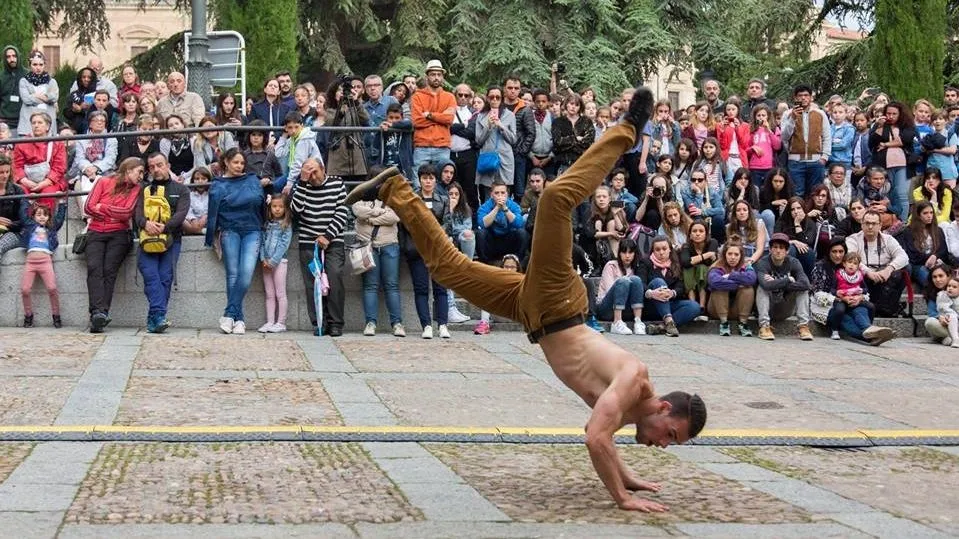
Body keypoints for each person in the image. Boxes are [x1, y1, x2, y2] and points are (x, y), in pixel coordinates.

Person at [345, 88, 707, 512]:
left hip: (532, 310)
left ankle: (394, 188)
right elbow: (595, 437)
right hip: (558, 302)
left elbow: (606, 438)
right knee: (555, 199)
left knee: (447, 270)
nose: (664, 444)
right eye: (672, 435)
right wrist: (621, 497)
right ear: (664, 409)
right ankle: (629, 128)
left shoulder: (630, 407)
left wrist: (628, 478)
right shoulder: (632, 379)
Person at [205, 149, 265, 334]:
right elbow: (213, 212)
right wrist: (211, 236)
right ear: (226, 163)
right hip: (230, 230)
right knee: (232, 274)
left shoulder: (253, 180)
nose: (239, 166)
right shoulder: (218, 184)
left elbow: (261, 205)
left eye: (241, 163)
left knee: (245, 274)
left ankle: (229, 313)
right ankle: (239, 319)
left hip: (252, 230)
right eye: (235, 162)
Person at [290, 158, 349, 336]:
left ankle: (336, 323)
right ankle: (319, 322)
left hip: (333, 241)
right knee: (312, 284)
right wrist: (302, 182)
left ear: (323, 169)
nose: (312, 176)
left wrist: (328, 236)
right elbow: (296, 210)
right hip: (308, 242)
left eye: (315, 171)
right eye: (308, 172)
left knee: (335, 277)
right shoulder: (301, 186)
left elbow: (342, 211)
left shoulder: (337, 183)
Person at [83, 157, 142, 332]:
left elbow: (126, 213)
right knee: (94, 268)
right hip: (96, 231)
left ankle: (100, 313)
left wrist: (103, 208)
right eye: (139, 171)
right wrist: (106, 211)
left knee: (109, 270)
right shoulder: (103, 181)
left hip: (119, 233)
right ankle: (97, 314)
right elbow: (88, 207)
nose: (141, 176)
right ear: (129, 170)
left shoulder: (136, 189)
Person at [133, 153, 190, 334]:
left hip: (172, 240)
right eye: (152, 167)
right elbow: (138, 214)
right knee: (151, 276)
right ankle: (158, 316)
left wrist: (163, 228)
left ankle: (155, 318)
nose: (156, 169)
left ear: (168, 165)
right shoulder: (144, 189)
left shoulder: (181, 190)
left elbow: (181, 214)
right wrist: (146, 224)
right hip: (147, 239)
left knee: (165, 278)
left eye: (159, 165)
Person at [810, 237, 894, 345]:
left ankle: (869, 329)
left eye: (841, 252)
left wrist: (859, 298)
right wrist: (839, 298)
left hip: (850, 302)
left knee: (861, 310)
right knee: (845, 319)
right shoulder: (820, 267)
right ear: (828, 252)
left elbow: (862, 287)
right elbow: (817, 293)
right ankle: (869, 337)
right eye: (834, 251)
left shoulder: (849, 265)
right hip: (829, 306)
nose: (837, 255)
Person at [405, 165, 451, 339]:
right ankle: (426, 325)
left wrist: (435, 233)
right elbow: (408, 222)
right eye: (425, 178)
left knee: (441, 288)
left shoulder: (443, 199)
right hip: (418, 248)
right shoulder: (412, 199)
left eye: (431, 178)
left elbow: (448, 222)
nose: (428, 181)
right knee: (421, 288)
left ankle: (443, 324)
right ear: (420, 179)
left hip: (437, 248)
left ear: (435, 180)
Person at [353, 185, 405, 337]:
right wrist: (378, 213)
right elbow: (357, 211)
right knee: (370, 286)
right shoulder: (360, 200)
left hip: (389, 245)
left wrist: (369, 219)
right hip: (368, 247)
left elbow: (395, 217)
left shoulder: (393, 200)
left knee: (392, 285)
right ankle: (370, 323)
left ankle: (397, 323)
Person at [843, 210, 909, 317]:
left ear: (880, 225)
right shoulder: (852, 239)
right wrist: (868, 272)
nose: (870, 227)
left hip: (884, 277)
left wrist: (889, 269)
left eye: (874, 224)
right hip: (863, 279)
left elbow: (904, 257)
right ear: (862, 225)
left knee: (906, 269)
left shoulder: (888, 239)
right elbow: (851, 258)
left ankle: (885, 306)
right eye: (867, 223)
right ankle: (883, 306)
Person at [639, 235, 702, 336]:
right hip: (651, 304)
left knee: (694, 306)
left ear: (670, 250)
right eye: (657, 249)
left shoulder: (676, 264)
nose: (661, 252)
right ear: (653, 251)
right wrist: (651, 293)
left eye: (664, 249)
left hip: (669, 302)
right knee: (658, 282)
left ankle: (662, 327)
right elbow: (640, 283)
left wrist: (672, 293)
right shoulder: (645, 263)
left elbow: (681, 287)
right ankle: (669, 321)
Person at [755, 232, 814, 341]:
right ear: (770, 249)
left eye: (782, 248)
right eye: (775, 247)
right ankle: (764, 327)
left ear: (787, 251)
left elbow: (806, 284)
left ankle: (803, 326)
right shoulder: (763, 263)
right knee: (761, 288)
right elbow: (765, 284)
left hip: (786, 306)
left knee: (803, 290)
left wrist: (778, 283)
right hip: (769, 307)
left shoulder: (794, 262)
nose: (778, 250)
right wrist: (787, 280)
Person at [18, 202, 65, 328]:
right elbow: (23, 215)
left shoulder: (51, 228)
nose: (42, 217)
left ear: (49, 217)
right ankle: (28, 316)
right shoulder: (30, 226)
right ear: (33, 217)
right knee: (25, 289)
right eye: (38, 214)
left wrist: (61, 204)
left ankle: (56, 316)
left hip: (45, 261)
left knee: (52, 288)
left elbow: (60, 219)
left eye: (45, 215)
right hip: (30, 262)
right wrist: (26, 203)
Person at [779, 84, 831, 197]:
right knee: (797, 193)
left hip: (816, 161)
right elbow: (784, 137)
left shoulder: (820, 114)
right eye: (800, 96)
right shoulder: (787, 114)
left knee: (815, 194)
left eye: (806, 95)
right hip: (796, 161)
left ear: (811, 97)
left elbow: (827, 137)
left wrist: (824, 157)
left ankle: (814, 215)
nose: (803, 98)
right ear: (795, 98)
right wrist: (793, 118)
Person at [868, 102, 916, 222]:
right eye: (888, 113)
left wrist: (885, 144)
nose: (891, 116)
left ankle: (903, 222)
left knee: (901, 194)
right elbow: (872, 143)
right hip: (884, 165)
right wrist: (878, 126)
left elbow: (905, 140)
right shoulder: (881, 125)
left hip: (903, 165)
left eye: (894, 114)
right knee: (889, 195)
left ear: (900, 114)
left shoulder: (907, 125)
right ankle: (890, 221)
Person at [13, 112, 67, 213]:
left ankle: (46, 224)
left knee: (48, 194)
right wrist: (25, 181)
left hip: (50, 181)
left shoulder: (57, 143)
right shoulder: (21, 143)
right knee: (22, 193)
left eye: (39, 122)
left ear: (47, 126)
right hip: (27, 181)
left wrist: (45, 183)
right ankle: (27, 224)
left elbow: (59, 167)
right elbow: (16, 166)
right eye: (33, 123)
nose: (36, 125)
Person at [411, 60, 456, 171]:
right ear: (427, 77)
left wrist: (429, 115)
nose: (436, 77)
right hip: (421, 145)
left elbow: (449, 119)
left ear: (442, 77)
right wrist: (441, 117)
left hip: (442, 145)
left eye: (439, 74)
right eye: (433, 74)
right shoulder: (417, 96)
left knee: (441, 181)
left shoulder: (449, 97)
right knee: (418, 182)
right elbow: (417, 121)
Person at [596, 238, 646, 335]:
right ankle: (616, 322)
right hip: (607, 308)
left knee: (636, 280)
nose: (627, 256)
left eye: (630, 252)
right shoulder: (611, 266)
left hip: (626, 309)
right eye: (624, 252)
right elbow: (610, 290)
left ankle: (638, 321)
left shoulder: (635, 268)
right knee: (623, 281)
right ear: (619, 253)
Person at [475, 87, 518, 198]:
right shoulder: (481, 116)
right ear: (487, 99)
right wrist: (488, 126)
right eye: (491, 97)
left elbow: (513, 140)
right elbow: (478, 141)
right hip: (488, 158)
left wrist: (501, 126)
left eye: (497, 97)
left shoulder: (510, 115)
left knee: (504, 195)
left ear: (502, 99)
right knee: (488, 195)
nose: (494, 100)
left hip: (504, 159)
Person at [707, 239, 756, 336]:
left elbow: (751, 279)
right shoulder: (717, 266)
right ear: (725, 254)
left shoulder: (746, 265)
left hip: (736, 310)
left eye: (736, 254)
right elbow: (715, 282)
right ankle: (724, 323)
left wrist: (730, 276)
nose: (732, 257)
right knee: (720, 288)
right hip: (716, 309)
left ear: (741, 256)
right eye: (730, 254)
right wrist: (739, 283)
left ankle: (743, 323)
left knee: (748, 289)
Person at [258, 195, 293, 333]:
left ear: (285, 208)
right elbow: (262, 241)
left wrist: (273, 261)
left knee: (280, 293)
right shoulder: (267, 224)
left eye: (280, 206)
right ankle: (270, 321)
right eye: (274, 206)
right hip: (266, 263)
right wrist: (263, 259)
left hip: (279, 262)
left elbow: (284, 245)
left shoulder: (286, 225)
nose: (277, 209)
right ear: (270, 208)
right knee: (269, 293)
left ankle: (281, 322)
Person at [476, 179, 527, 263]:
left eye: (503, 193)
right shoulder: (485, 206)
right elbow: (483, 224)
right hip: (492, 240)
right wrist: (497, 208)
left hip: (508, 239)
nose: (500, 196)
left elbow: (519, 224)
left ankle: (517, 263)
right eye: (497, 193)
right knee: (480, 233)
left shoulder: (513, 205)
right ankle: (485, 263)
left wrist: (505, 208)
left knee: (522, 233)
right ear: (491, 194)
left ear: (507, 194)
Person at [901, 201, 948, 288]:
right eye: (925, 213)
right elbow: (912, 255)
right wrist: (929, 258)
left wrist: (935, 256)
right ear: (918, 215)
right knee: (932, 283)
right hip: (918, 266)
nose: (929, 216)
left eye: (931, 212)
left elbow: (944, 251)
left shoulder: (938, 230)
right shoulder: (909, 231)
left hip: (937, 264)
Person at [273, 112, 321, 195]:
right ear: (286, 128)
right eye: (290, 128)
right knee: (276, 186)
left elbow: (298, 164)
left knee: (287, 191)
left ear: (302, 126)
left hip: (310, 173)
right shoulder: (292, 139)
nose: (293, 130)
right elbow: (278, 153)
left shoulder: (304, 139)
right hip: (296, 172)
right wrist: (284, 136)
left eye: (296, 127)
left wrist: (289, 184)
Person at [473, 254, 522, 335]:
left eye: (512, 267)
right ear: (502, 267)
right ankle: (484, 323)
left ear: (517, 268)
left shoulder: (522, 281)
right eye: (506, 266)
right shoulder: (496, 280)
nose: (509, 269)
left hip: (517, 315)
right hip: (500, 314)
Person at [679, 221, 718, 319]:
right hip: (690, 275)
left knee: (702, 268)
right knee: (687, 269)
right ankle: (692, 305)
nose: (697, 233)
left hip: (707, 275)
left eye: (701, 231)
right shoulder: (686, 246)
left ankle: (702, 307)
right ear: (690, 235)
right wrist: (707, 255)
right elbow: (685, 262)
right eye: (694, 231)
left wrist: (695, 260)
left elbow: (714, 260)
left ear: (706, 234)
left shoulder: (712, 242)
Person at [17, 51, 58, 136]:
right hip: (28, 123)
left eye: (41, 64)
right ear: (30, 65)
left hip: (48, 121)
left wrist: (36, 96)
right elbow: (27, 100)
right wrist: (47, 99)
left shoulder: (51, 81)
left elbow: (54, 97)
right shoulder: (24, 81)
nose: (38, 67)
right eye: (35, 64)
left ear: (44, 65)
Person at [0, 155, 25, 260]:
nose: (5, 176)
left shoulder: (17, 191)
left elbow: (25, 221)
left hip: (14, 232)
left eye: (7, 172)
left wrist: (10, 223)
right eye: (1, 172)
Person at [923, 264, 955, 344]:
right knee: (929, 322)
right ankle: (953, 337)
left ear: (949, 276)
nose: (937, 279)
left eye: (941, 276)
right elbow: (932, 313)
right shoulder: (932, 294)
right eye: (934, 277)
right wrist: (940, 318)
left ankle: (950, 339)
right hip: (943, 326)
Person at [0, 46, 26, 131]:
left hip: (24, 120)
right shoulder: (1, 77)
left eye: (14, 56)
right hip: (4, 121)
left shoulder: (28, 75)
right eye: (8, 57)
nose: (12, 59)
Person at [932, 275, 959, 348]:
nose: (950, 288)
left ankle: (950, 339)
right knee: (952, 316)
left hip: (956, 324)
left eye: (954, 287)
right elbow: (944, 309)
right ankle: (956, 339)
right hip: (944, 322)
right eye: (949, 286)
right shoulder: (942, 296)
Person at [182, 167, 211, 235]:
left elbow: (213, 208)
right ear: (193, 181)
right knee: (181, 220)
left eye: (204, 179)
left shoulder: (212, 194)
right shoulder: (190, 195)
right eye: (197, 179)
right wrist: (193, 219)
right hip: (192, 223)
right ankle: (201, 231)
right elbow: (188, 210)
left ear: (209, 180)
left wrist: (206, 217)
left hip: (207, 222)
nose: (200, 181)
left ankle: (196, 231)